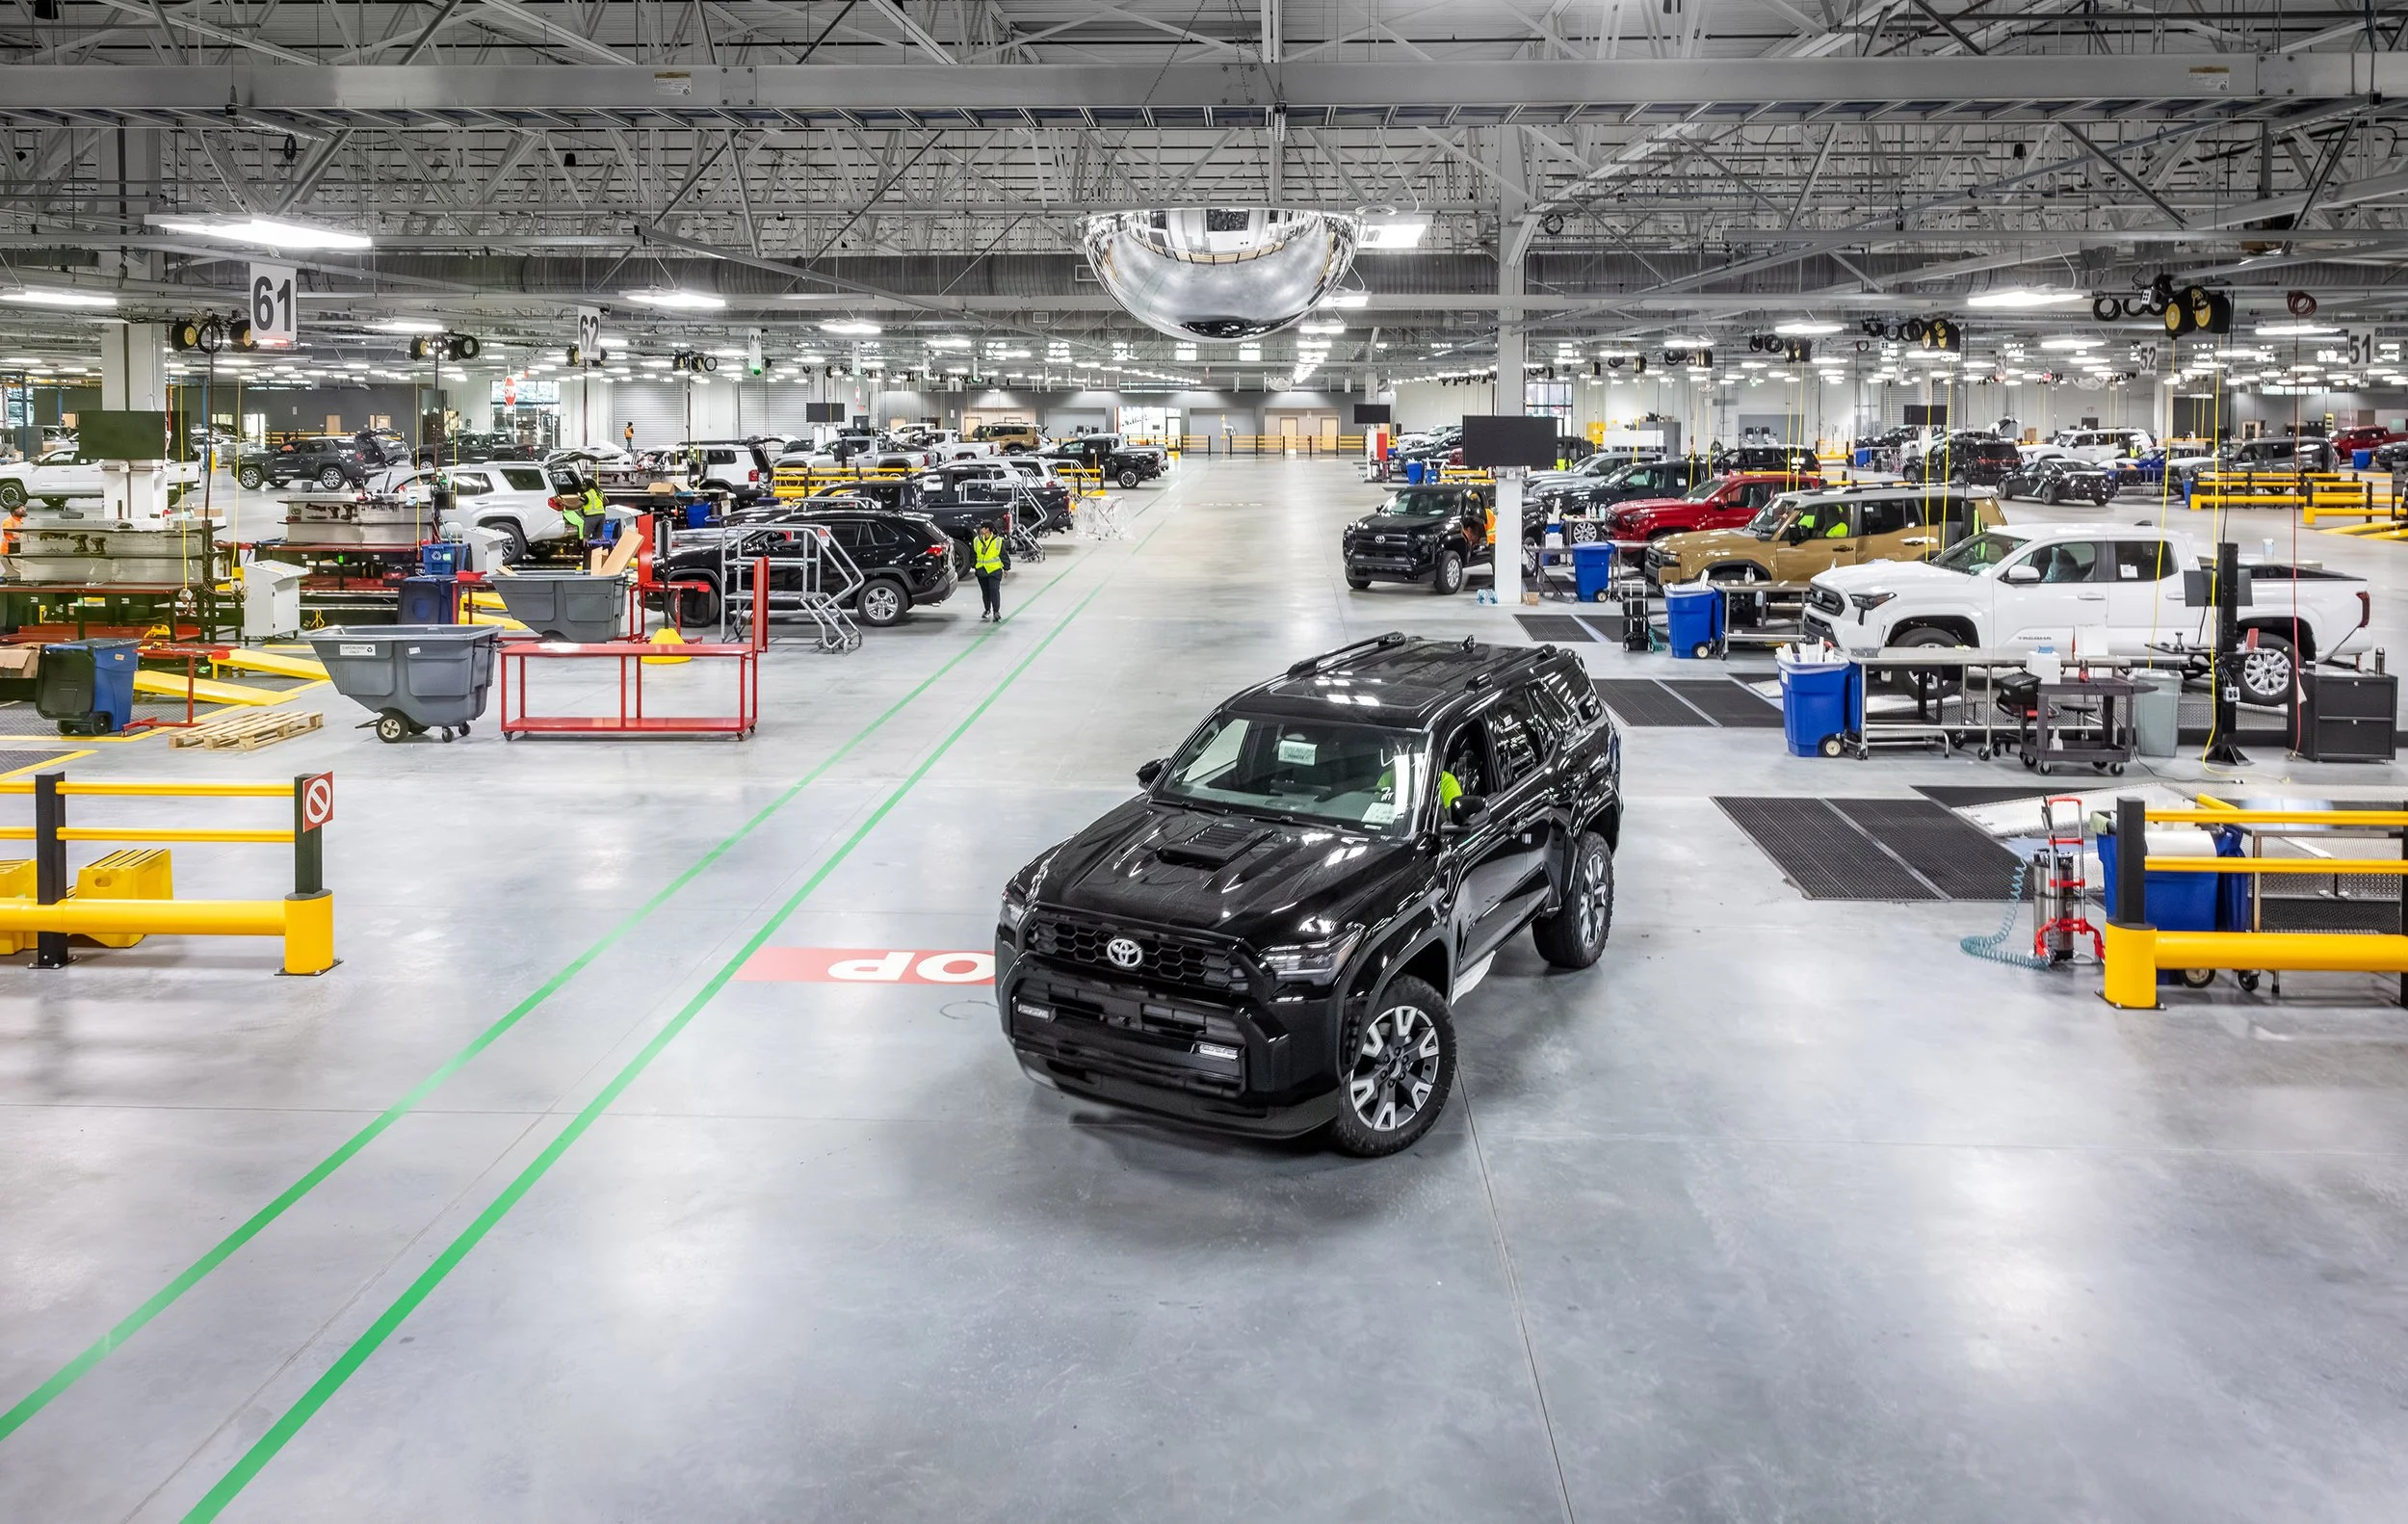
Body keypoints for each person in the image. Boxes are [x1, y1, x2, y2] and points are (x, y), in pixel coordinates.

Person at [971, 521, 1005, 621]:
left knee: (994, 591)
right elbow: (973, 554)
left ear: (988, 529)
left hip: (994, 570)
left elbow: (1003, 554)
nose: (980, 529)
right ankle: (987, 610)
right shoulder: (977, 540)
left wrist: (1006, 567)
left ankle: (996, 612)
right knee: (985, 592)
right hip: (981, 570)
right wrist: (974, 565)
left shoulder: (998, 540)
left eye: (982, 528)